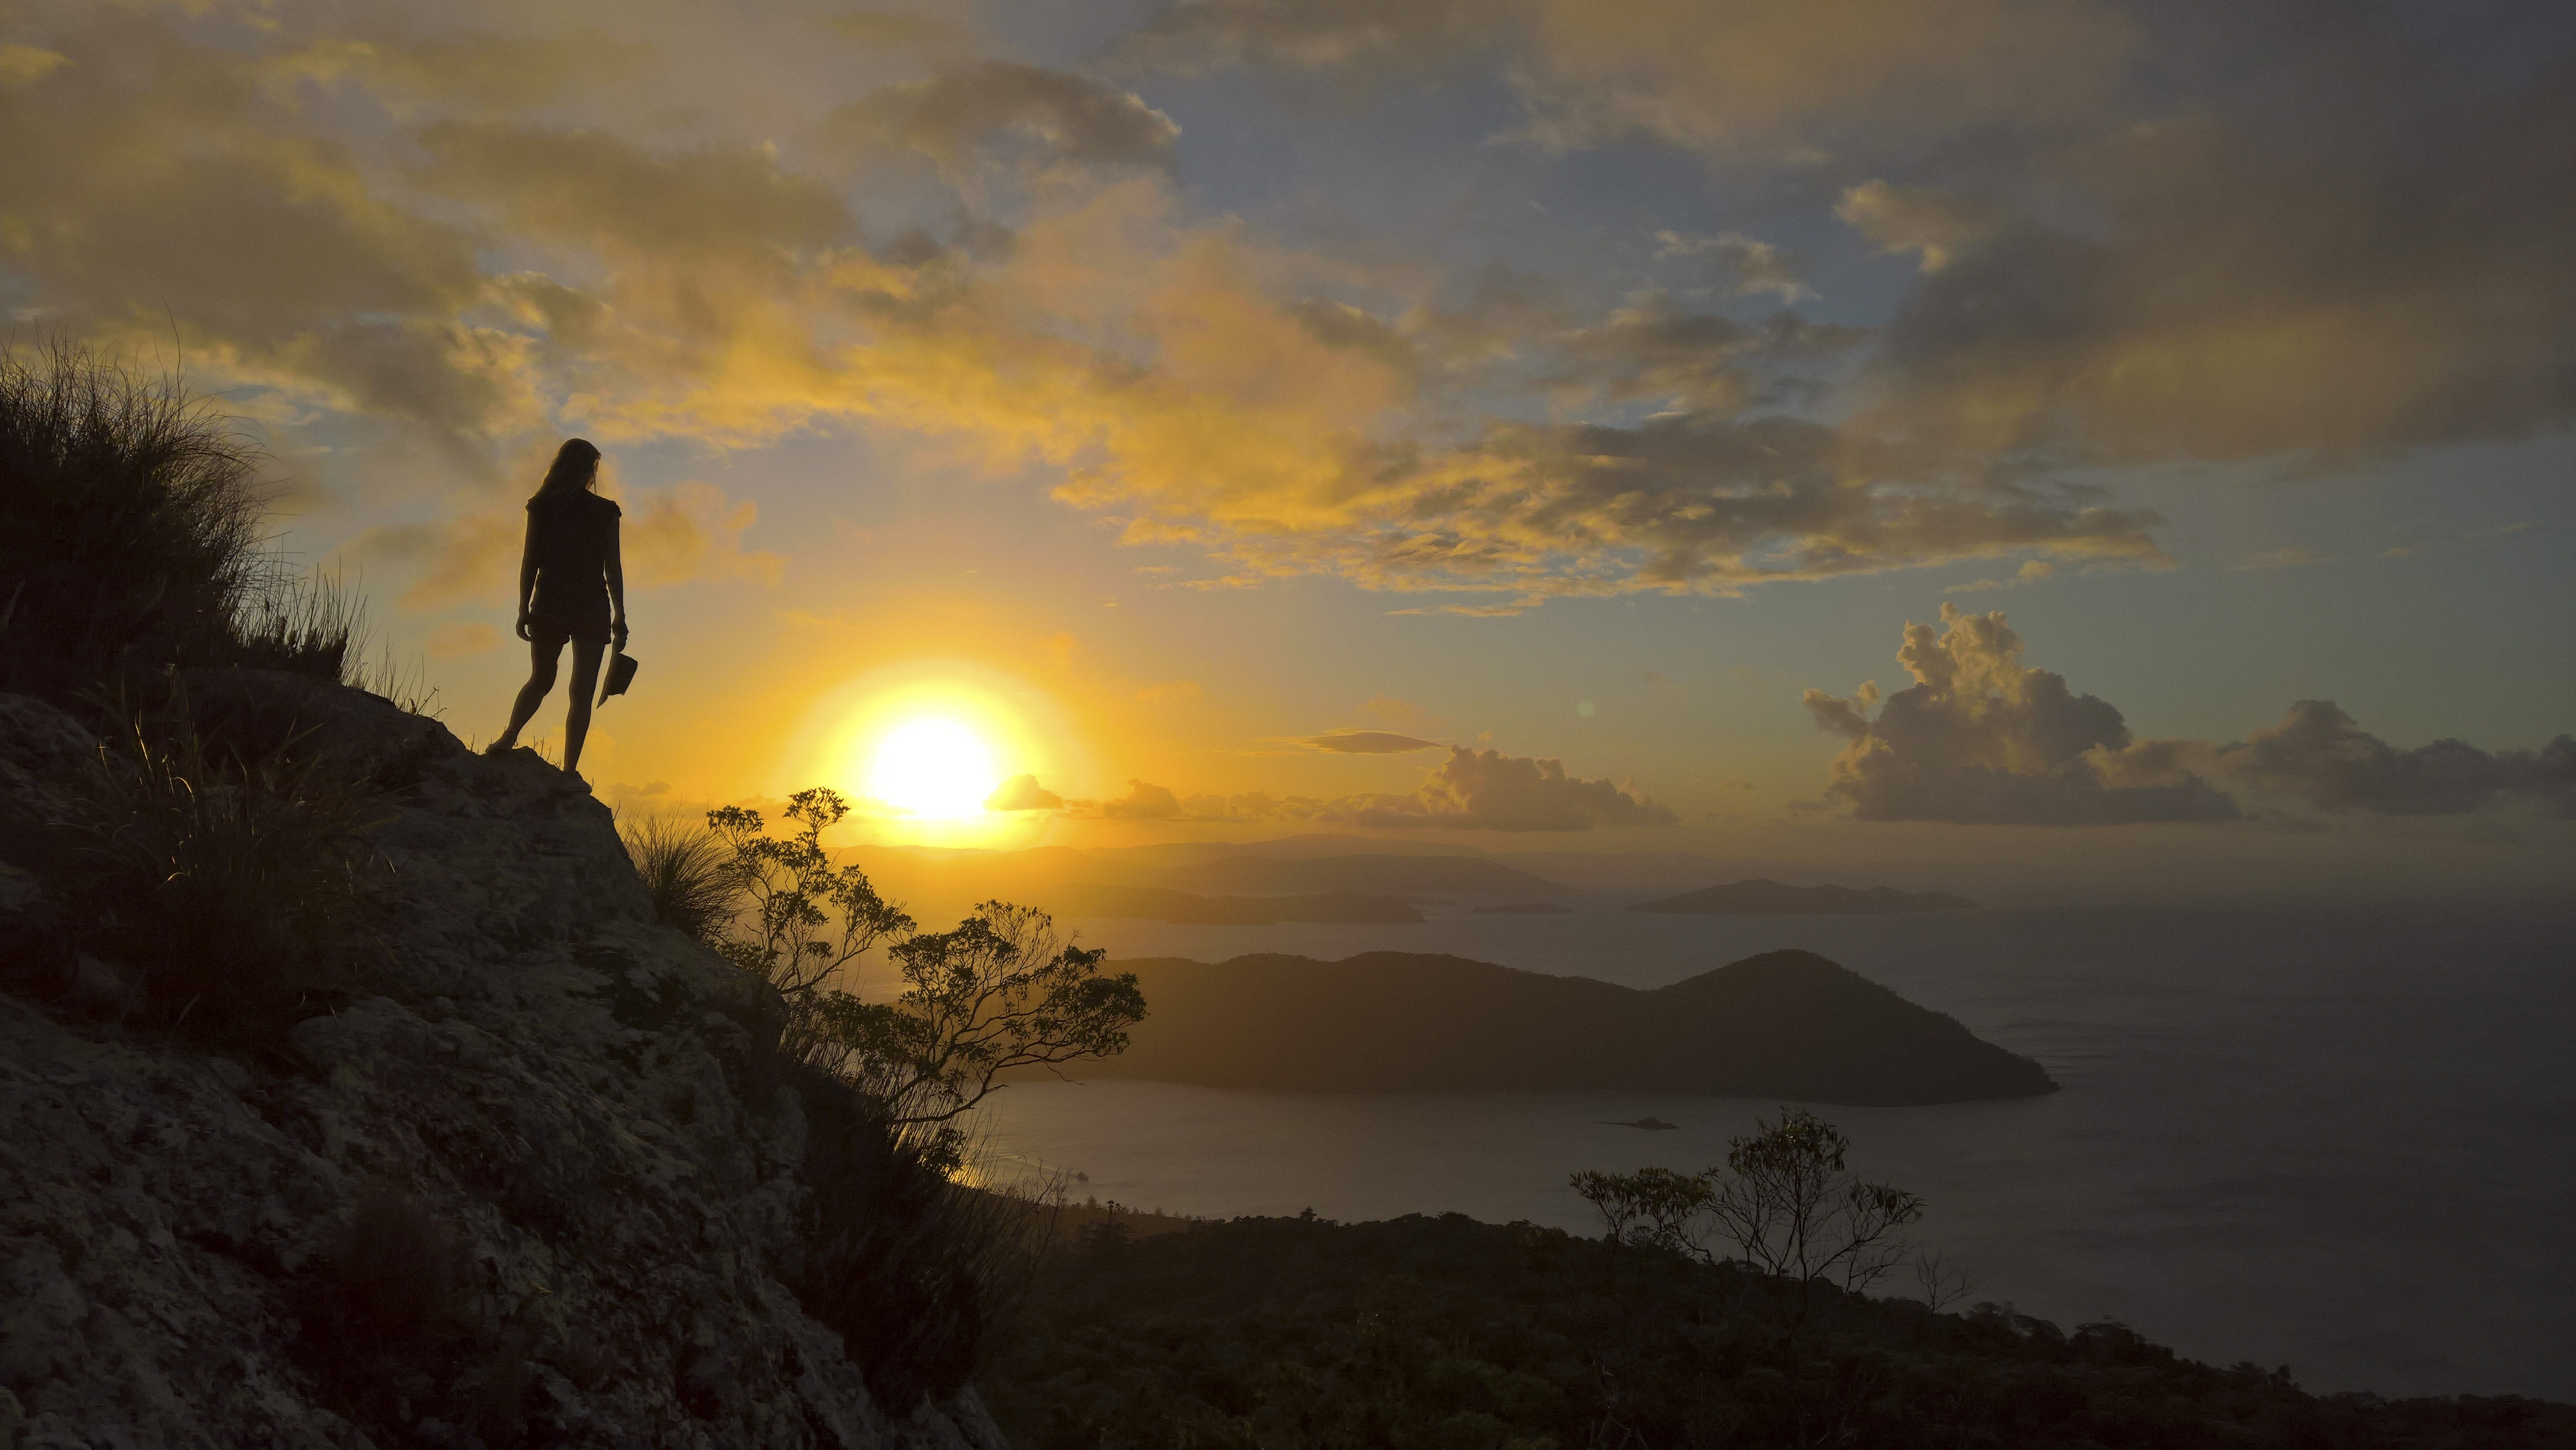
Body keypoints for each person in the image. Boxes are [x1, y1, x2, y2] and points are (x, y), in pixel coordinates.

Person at [485, 438, 626, 785]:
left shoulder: (542, 506)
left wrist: (523, 607)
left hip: (550, 601)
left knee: (541, 679)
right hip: (592, 605)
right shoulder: (606, 511)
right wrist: (620, 615)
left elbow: (530, 560)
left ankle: (508, 738)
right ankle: (568, 772)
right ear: (588, 469)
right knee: (582, 692)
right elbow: (614, 568)